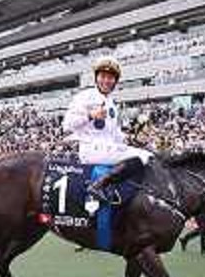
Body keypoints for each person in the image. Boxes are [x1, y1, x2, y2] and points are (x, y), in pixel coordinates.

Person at [62, 56, 153, 201]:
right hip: (91, 149)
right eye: (103, 76)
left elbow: (114, 134)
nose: (106, 80)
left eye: (110, 77)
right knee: (145, 157)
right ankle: (98, 186)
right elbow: (67, 125)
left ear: (115, 81)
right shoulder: (84, 96)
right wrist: (90, 116)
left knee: (147, 153)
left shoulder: (111, 103)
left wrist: (129, 139)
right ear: (96, 77)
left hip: (107, 147)